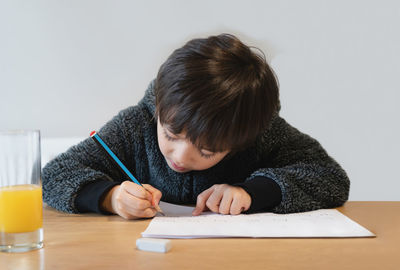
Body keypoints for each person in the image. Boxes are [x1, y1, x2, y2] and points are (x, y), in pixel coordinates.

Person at [42, 33, 350, 219]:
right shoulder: (136, 125)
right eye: (171, 134)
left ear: (242, 139)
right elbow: (55, 174)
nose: (181, 156)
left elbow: (331, 178)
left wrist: (252, 193)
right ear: (160, 107)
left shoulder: (260, 132)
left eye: (207, 150)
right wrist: (110, 197)